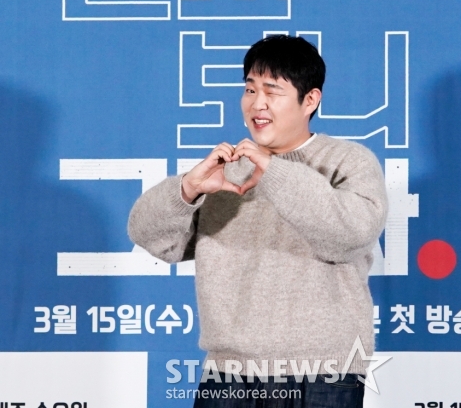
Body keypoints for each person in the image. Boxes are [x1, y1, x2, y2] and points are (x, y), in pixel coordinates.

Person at [128, 35, 388, 407]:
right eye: (250, 89)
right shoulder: (226, 171)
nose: (257, 103)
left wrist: (272, 171)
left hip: (323, 374)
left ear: (310, 100)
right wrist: (187, 189)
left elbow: (349, 235)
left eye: (272, 91)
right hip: (228, 374)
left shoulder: (349, 161)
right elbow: (153, 239)